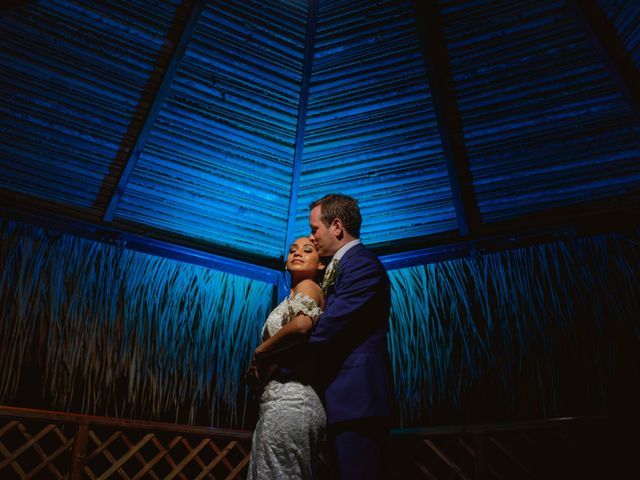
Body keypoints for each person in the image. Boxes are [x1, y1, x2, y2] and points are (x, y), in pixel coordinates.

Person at [307, 193, 394, 479]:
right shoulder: (339, 267)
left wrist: (279, 359)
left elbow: (331, 326)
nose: (311, 237)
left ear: (337, 226)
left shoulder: (362, 265)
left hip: (358, 402)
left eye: (314, 229)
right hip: (341, 402)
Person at [246, 237, 327, 480]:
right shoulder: (292, 295)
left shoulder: (309, 287)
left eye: (307, 250)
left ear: (321, 264)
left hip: (292, 399)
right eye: (292, 250)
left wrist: (260, 352)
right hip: (278, 401)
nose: (297, 253)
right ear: (285, 263)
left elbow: (302, 326)